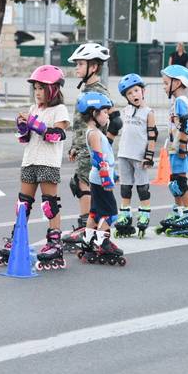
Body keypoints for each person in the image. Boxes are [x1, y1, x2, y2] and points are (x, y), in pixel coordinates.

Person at [0, 65, 71, 270]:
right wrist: (23, 126)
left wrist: (35, 125)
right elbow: (26, 138)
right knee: (23, 204)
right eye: (36, 88)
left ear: (54, 90)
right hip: (29, 160)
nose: (37, 92)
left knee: (49, 204)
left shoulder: (60, 110)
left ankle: (55, 242)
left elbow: (56, 134)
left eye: (42, 88)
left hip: (48, 161)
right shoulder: (33, 109)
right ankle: (17, 239)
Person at [62, 42, 121, 252]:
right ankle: (87, 228)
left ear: (93, 67)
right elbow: (79, 124)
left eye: (80, 64)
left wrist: (105, 147)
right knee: (79, 184)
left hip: (92, 150)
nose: (76, 68)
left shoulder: (98, 91)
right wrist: (74, 146)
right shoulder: (86, 89)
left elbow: (116, 121)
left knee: (84, 185)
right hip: (83, 147)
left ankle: (86, 226)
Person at [76, 91, 125, 266]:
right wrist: (107, 180)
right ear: (94, 113)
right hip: (100, 179)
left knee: (95, 212)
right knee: (110, 213)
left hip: (97, 178)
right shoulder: (94, 134)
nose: (107, 115)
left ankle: (88, 241)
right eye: (104, 112)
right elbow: (98, 158)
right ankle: (103, 242)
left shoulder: (94, 131)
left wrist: (113, 174)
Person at [157, 64, 188, 238]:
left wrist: (182, 146)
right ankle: (179, 211)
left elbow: (186, 125)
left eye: (166, 83)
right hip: (175, 147)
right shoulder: (175, 101)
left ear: (178, 83)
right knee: (174, 181)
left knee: (180, 182)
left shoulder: (181, 101)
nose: (164, 86)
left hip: (180, 148)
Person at [113, 73, 157, 238]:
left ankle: (144, 213)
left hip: (139, 157)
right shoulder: (125, 111)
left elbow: (152, 135)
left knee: (142, 187)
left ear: (143, 91)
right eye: (129, 93)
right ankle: (125, 214)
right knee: (125, 187)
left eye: (136, 91)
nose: (134, 95)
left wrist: (149, 156)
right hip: (124, 154)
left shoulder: (148, 112)